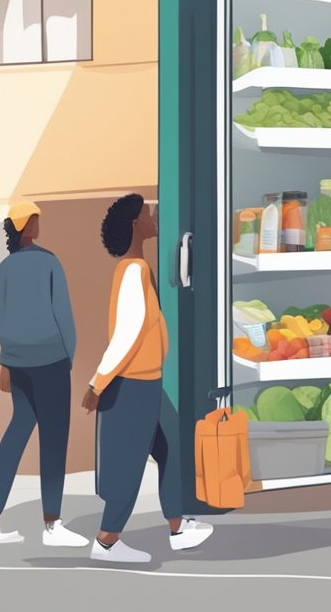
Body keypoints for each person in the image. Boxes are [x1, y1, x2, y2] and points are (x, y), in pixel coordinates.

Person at [82, 194, 212, 563]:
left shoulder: (137, 268)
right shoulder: (133, 270)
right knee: (127, 463)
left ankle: (178, 528)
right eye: (146, 212)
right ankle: (107, 541)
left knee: (170, 447)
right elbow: (128, 331)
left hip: (148, 380)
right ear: (135, 225)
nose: (153, 215)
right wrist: (98, 382)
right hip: (132, 384)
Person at [0, 203, 88, 548]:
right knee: (54, 441)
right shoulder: (48, 262)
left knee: (16, 431)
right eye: (37, 218)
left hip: (18, 363)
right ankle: (52, 525)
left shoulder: (6, 267)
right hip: (51, 362)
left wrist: (9, 345)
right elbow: (64, 316)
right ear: (29, 225)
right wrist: (68, 357)